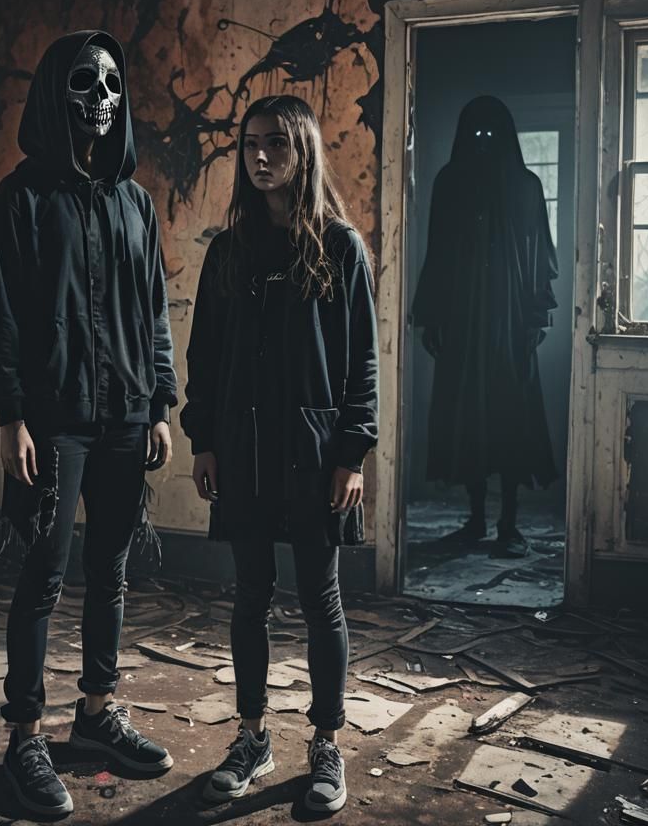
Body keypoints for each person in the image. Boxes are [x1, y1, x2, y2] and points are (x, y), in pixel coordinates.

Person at [0, 30, 178, 816]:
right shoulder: (21, 197)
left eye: (111, 85)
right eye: (83, 83)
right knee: (44, 576)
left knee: (113, 570)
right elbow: (1, 316)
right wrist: (10, 416)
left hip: (128, 415)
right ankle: (24, 735)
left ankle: (95, 714)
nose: (101, 98)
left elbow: (155, 311)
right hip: (55, 420)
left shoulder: (136, 203)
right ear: (53, 95)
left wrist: (161, 402)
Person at [180, 95, 378, 815]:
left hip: (316, 452)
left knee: (320, 598)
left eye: (275, 144)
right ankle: (253, 735)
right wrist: (203, 438)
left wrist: (352, 452)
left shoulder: (339, 247)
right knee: (250, 596)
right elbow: (202, 353)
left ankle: (326, 745)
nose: (259, 156)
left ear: (302, 151)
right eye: (249, 144)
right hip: (242, 450)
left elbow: (363, 363)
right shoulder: (228, 251)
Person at [412, 95, 558, 559]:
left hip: (510, 326)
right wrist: (431, 315)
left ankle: (509, 523)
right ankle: (476, 517)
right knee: (468, 420)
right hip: (461, 324)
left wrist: (535, 317)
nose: (483, 142)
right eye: (474, 133)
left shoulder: (526, 186)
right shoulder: (449, 183)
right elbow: (435, 254)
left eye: (491, 133)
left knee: (509, 420)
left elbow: (541, 261)